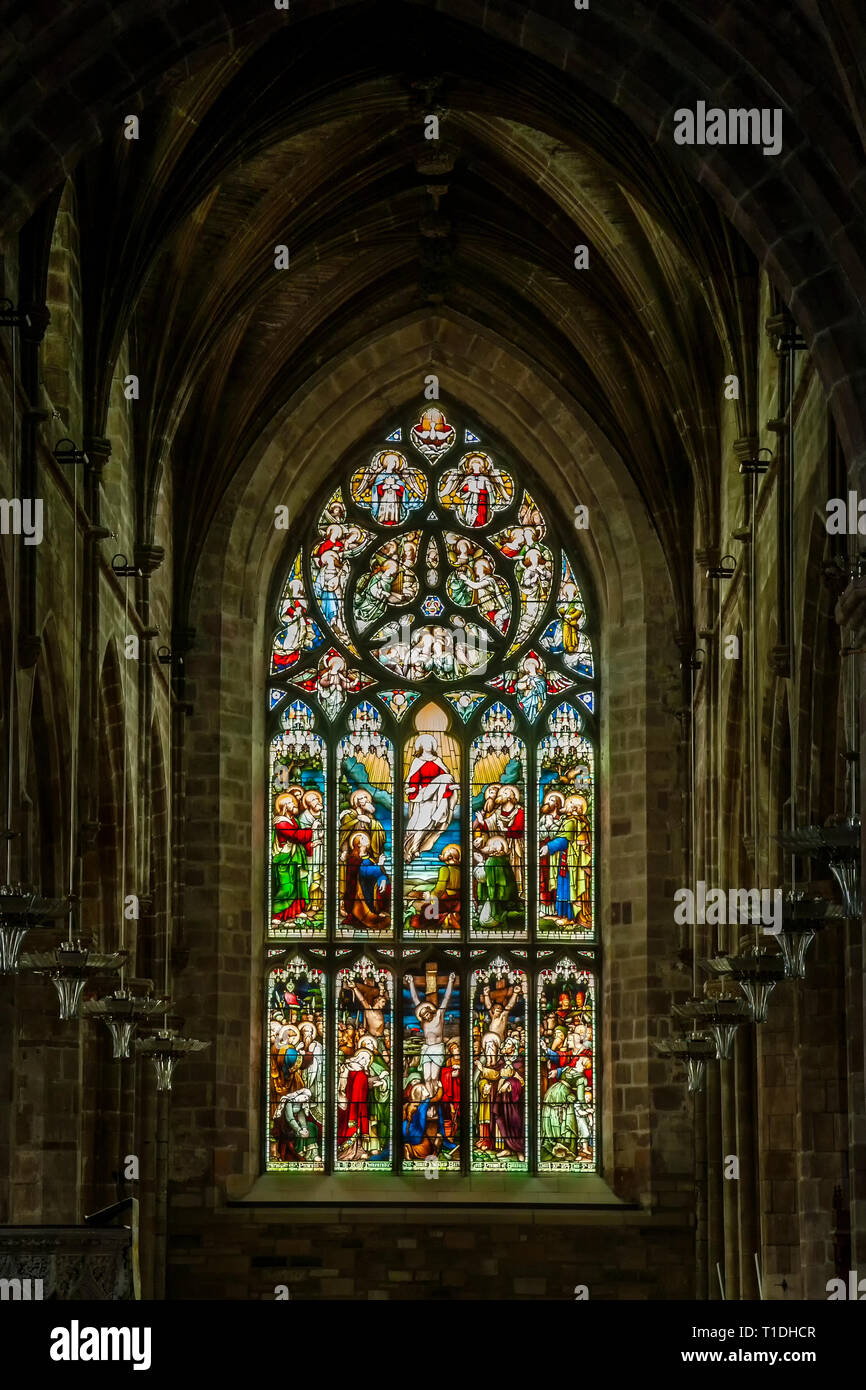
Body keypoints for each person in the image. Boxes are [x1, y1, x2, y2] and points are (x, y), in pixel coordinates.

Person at [403, 733, 458, 862]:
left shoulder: (437, 761)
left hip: (437, 799)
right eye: (426, 743)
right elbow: (414, 779)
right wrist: (413, 789)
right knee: (421, 825)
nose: (429, 745)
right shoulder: (417, 761)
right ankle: (411, 849)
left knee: (430, 826)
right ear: (421, 746)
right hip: (424, 797)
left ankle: (416, 849)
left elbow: (446, 778)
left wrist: (450, 788)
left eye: (431, 743)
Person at [540, 794, 592, 925]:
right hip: (566, 860)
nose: (565, 806)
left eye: (568, 804)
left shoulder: (571, 821)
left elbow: (563, 840)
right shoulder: (575, 820)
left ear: (574, 808)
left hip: (570, 862)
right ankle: (562, 915)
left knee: (567, 888)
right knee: (563, 887)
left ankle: (569, 917)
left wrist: (548, 847)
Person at [405, 971, 456, 1098]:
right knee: (427, 1078)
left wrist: (450, 981)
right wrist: (411, 982)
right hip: (426, 1049)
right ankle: (429, 1102)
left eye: (426, 1013)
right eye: (423, 1016)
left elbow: (446, 999)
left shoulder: (439, 1015)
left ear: (430, 1011)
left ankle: (434, 1101)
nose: (426, 1016)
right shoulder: (423, 1022)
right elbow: (416, 999)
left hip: (438, 1049)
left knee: (434, 1077)